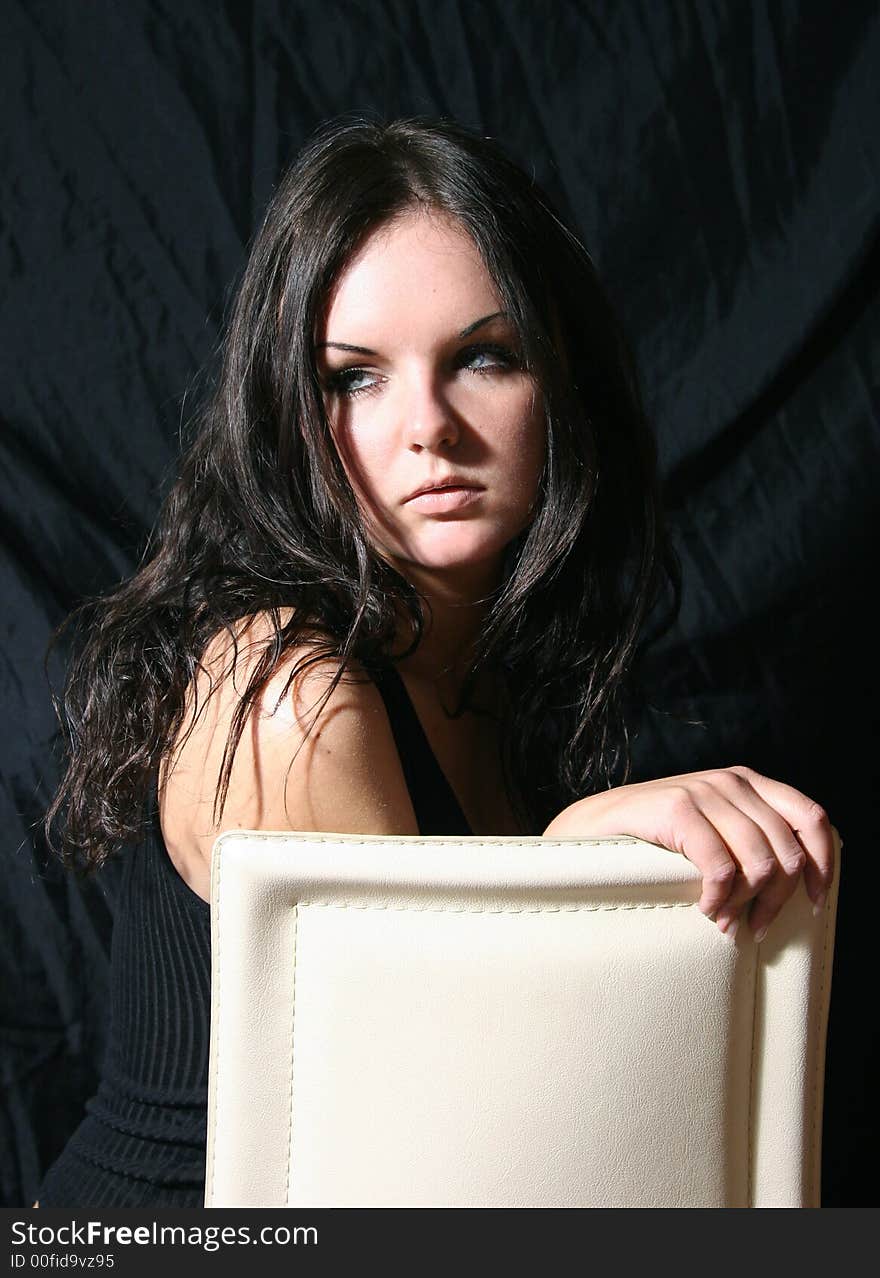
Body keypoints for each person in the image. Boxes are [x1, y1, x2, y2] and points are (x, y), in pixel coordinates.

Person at [32, 113, 835, 1208]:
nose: (429, 429)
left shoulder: (488, 667)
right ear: (286, 415)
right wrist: (564, 867)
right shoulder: (293, 696)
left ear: (560, 384)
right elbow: (422, 1167)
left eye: (484, 358)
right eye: (353, 378)